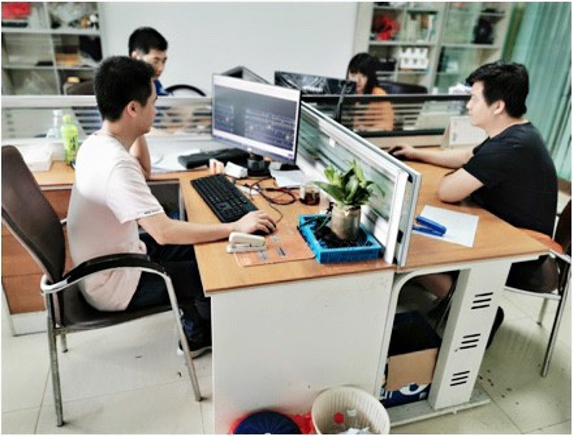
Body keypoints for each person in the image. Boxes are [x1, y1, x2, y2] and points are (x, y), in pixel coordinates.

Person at [67, 56, 276, 358]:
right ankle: (196, 336)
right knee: (212, 272)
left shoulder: (96, 144)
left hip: (115, 261)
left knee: (206, 248)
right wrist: (235, 225)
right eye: (153, 103)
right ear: (133, 108)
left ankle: (198, 326)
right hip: (115, 283)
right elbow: (163, 233)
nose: (157, 109)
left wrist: (138, 131)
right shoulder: (116, 165)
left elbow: (143, 171)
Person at [390, 61, 558, 345]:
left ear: (498, 106)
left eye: (474, 99)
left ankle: (476, 308)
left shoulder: (508, 147)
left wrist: (458, 177)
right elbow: (469, 157)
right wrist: (416, 153)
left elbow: (448, 191)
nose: (468, 105)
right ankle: (449, 296)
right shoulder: (516, 133)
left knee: (411, 249)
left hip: (520, 254)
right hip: (511, 235)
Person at [346, 53, 394, 132]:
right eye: (353, 74)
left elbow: (387, 125)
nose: (357, 80)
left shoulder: (378, 95)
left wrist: (367, 129)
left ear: (370, 77)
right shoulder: (345, 91)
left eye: (363, 76)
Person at [128, 26, 169, 96]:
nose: (161, 68)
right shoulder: (122, 87)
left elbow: (167, 102)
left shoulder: (154, 82)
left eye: (163, 61)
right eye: (155, 61)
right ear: (135, 58)